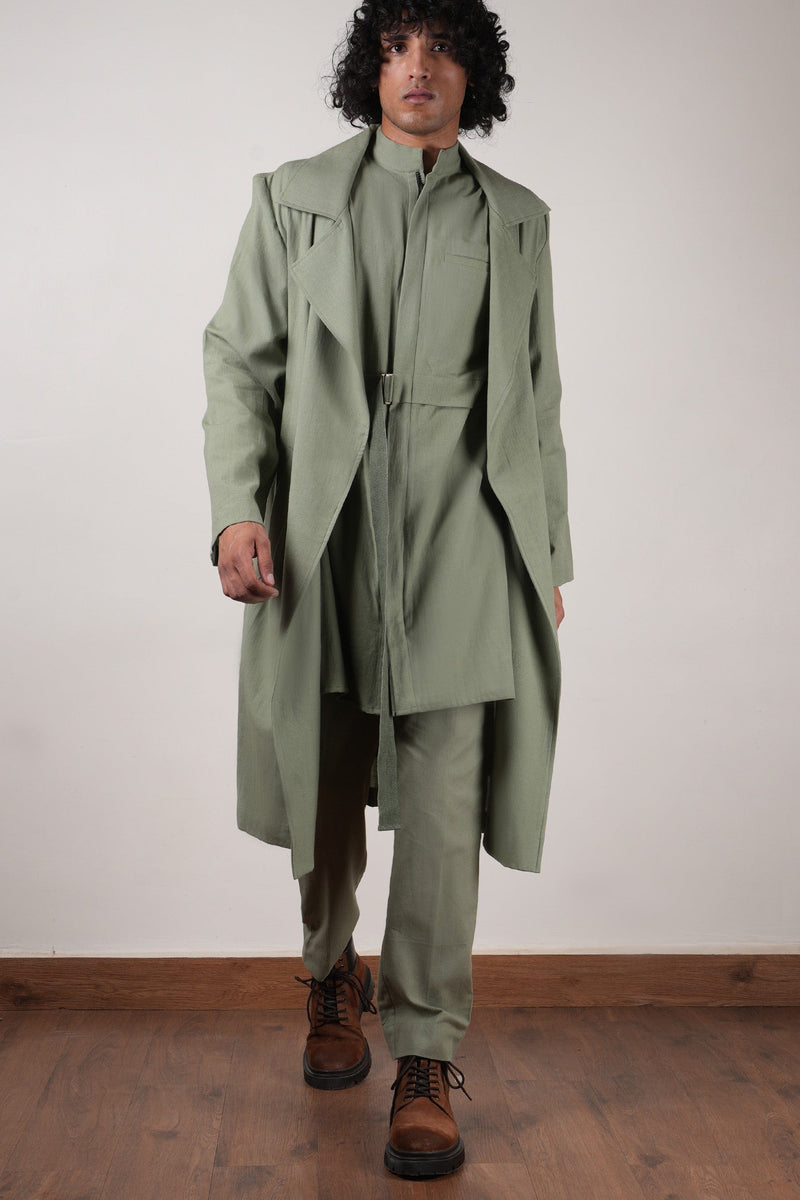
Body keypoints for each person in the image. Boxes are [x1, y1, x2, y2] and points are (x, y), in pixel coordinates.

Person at [202, 0, 573, 1180]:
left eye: (441, 46)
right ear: (369, 67)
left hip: (465, 537)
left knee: (445, 802)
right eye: (396, 45)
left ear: (475, 72)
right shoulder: (293, 197)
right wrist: (236, 509)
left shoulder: (514, 219)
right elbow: (240, 361)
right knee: (320, 774)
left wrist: (547, 558)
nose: (417, 67)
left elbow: (536, 395)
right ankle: (329, 974)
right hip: (324, 532)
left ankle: (423, 1051)